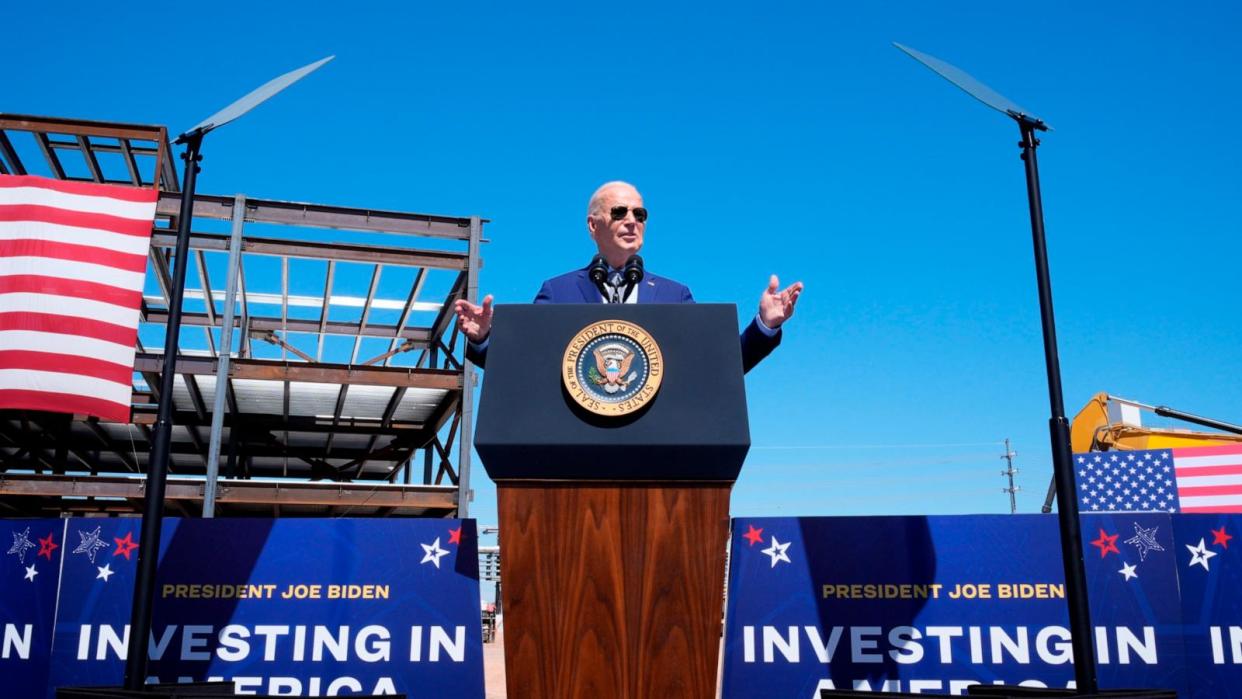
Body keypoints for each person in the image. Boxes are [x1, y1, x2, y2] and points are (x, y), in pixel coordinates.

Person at [454, 181, 803, 372]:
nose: (632, 220)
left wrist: (764, 326)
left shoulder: (674, 295)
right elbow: (523, 366)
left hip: (658, 456)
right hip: (575, 455)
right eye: (619, 212)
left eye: (640, 213)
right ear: (593, 225)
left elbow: (717, 368)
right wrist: (485, 339)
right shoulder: (558, 292)